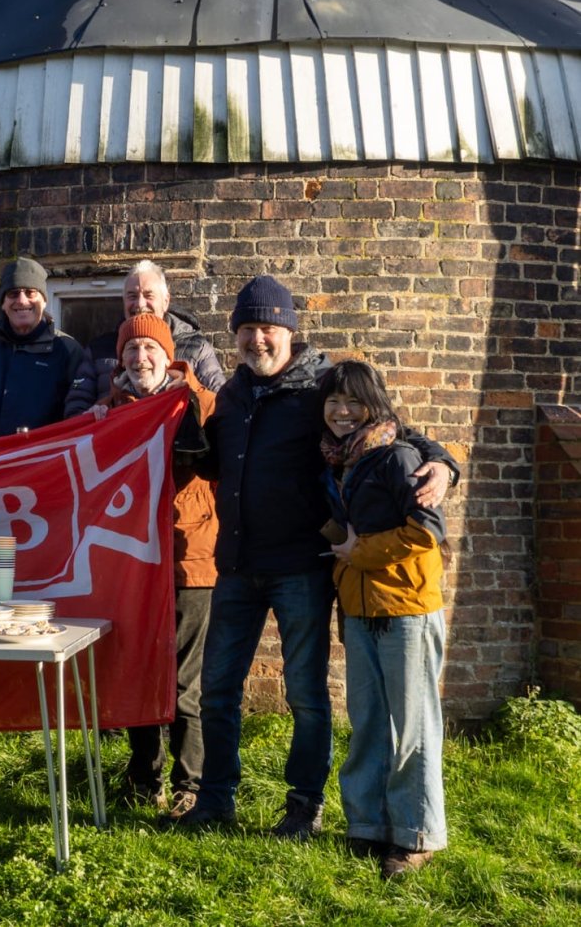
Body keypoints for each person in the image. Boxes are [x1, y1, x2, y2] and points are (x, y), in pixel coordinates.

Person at [176, 275, 457, 838]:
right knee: (218, 690)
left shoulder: (317, 389)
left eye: (268, 328)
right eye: (247, 329)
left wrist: (444, 462)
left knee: (305, 694)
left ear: (289, 332)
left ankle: (304, 804)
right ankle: (215, 800)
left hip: (302, 566)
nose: (257, 339)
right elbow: (209, 462)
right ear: (235, 337)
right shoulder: (229, 395)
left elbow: (391, 425)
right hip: (236, 566)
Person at [320, 360, 448, 879]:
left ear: (374, 405)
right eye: (333, 402)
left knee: (413, 726)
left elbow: (426, 532)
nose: (342, 411)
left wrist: (356, 551)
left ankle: (416, 835)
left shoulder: (399, 458)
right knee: (369, 721)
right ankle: (368, 825)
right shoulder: (337, 460)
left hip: (406, 608)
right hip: (360, 608)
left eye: (353, 402)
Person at [90, 313, 217, 820]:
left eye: (150, 350)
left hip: (189, 556)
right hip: (133, 560)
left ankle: (191, 784)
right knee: (141, 671)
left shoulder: (199, 402)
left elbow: (216, 452)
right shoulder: (109, 410)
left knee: (185, 680)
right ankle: (145, 779)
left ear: (169, 355)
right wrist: (96, 428)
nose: (140, 359)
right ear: (120, 359)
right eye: (131, 351)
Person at [65, 259, 225, 418]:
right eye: (132, 296)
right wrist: (91, 418)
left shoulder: (196, 348)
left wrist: (191, 394)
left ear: (166, 301)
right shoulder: (98, 349)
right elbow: (76, 413)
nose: (140, 304)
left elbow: (222, 407)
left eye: (149, 295)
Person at [0, 257, 83, 441]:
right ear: (3, 303)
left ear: (44, 301)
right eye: (13, 294)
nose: (21, 300)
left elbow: (78, 410)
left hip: (45, 464)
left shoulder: (68, 350)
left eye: (30, 292)